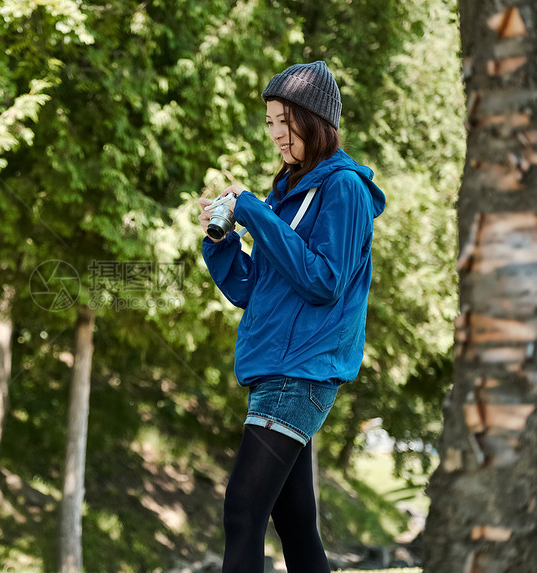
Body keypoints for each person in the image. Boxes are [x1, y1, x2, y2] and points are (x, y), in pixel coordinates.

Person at [197, 61, 386, 573]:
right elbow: (251, 289)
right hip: (274, 371)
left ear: (316, 120)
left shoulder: (342, 189)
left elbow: (325, 280)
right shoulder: (289, 195)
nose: (277, 134)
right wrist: (223, 242)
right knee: (296, 523)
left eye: (287, 121)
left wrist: (254, 210)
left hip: (300, 374)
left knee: (242, 510)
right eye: (271, 123)